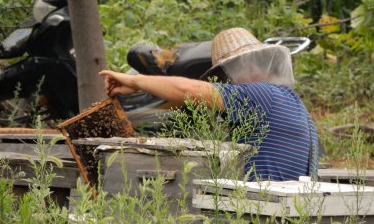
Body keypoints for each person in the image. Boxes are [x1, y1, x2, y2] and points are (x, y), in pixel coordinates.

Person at [99, 27, 318, 181]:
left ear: (250, 66)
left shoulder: (262, 95)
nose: (227, 81)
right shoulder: (289, 100)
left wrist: (136, 81)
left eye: (227, 74)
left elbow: (189, 91)